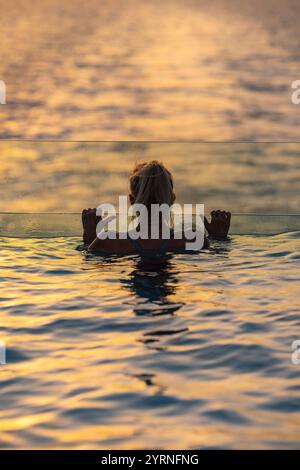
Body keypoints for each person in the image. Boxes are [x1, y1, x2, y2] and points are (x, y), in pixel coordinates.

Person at [82, 161, 231, 255]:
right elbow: (216, 258)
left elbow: (88, 264)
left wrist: (89, 239)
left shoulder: (109, 241)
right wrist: (219, 239)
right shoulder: (192, 239)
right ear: (171, 200)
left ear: (131, 201)